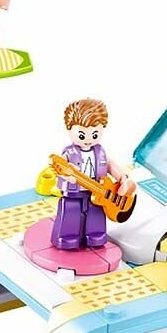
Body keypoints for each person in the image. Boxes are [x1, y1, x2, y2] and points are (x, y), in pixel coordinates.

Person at [50, 99, 135, 251]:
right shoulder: (69, 153)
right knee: (70, 213)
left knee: (96, 215)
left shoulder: (100, 152)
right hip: (74, 193)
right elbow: (62, 168)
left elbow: (110, 165)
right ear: (70, 129)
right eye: (82, 135)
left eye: (95, 134)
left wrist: (123, 177)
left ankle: (96, 236)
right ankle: (67, 237)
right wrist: (68, 177)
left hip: (100, 194)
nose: (89, 140)